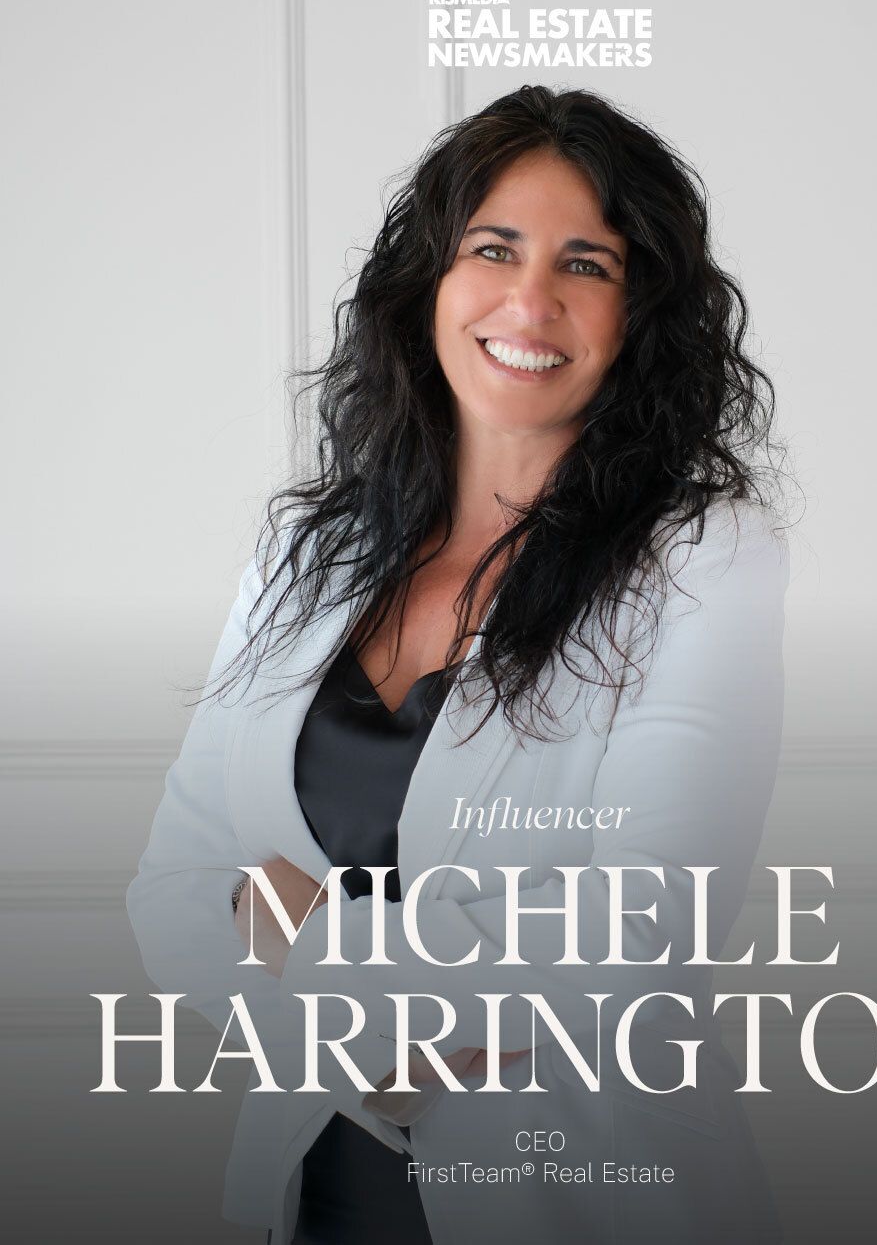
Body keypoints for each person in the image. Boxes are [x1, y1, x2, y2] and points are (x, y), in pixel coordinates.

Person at [127, 84, 792, 1244]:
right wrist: (386, 1051)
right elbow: (176, 888)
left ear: (638, 312)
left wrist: (310, 941)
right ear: (428, 280)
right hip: (316, 1193)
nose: (530, 301)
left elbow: (645, 932)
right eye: (494, 249)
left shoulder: (701, 557)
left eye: (586, 264)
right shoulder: (310, 552)